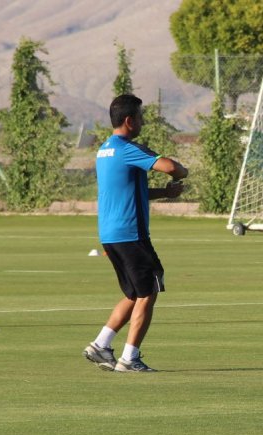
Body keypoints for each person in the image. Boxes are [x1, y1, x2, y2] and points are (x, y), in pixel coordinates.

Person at [83, 94, 188, 372]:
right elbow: (172, 167)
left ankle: (100, 345)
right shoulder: (127, 148)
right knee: (149, 290)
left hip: (111, 234)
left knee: (133, 293)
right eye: (140, 117)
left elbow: (128, 190)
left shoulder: (105, 149)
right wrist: (179, 173)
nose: (142, 121)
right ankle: (129, 358)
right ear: (129, 121)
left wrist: (165, 193)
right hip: (131, 234)